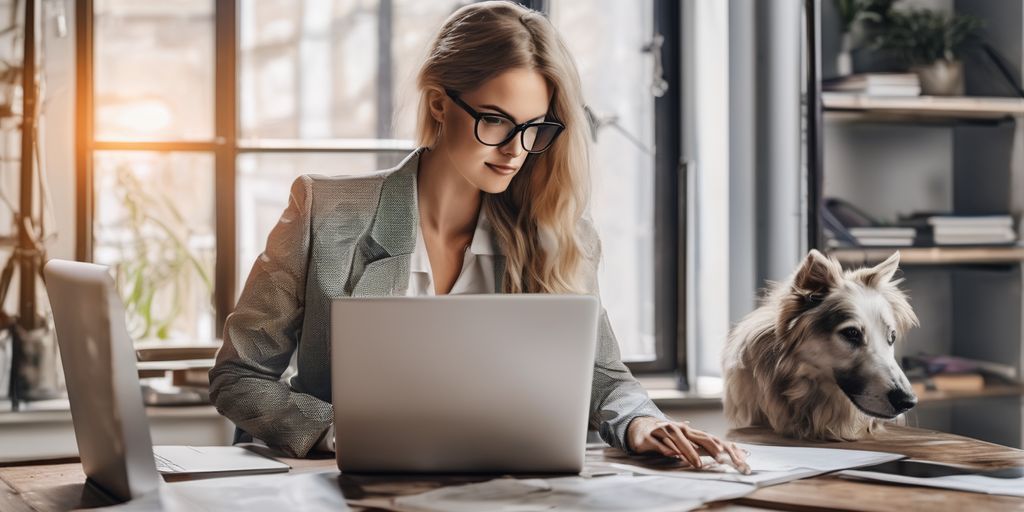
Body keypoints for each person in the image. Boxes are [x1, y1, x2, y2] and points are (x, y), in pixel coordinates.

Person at [210, 0, 746, 471]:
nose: (516, 148)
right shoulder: (325, 211)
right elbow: (239, 375)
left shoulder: (559, 232)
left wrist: (640, 424)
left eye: (535, 126)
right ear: (440, 104)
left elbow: (601, 375)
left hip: (503, 487)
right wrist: (334, 429)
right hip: (347, 485)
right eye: (495, 120)